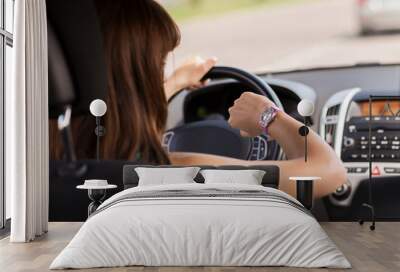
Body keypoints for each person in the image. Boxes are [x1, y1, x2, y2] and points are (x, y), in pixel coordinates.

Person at [50, 0, 346, 198]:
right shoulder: (176, 172)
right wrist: (270, 116)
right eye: (159, 65)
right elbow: (328, 171)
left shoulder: (42, 173)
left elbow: (120, 107)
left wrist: (175, 82)